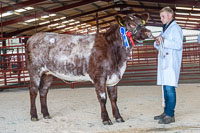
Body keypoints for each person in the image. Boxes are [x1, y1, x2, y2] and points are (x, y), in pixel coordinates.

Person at [153, 7, 183, 124]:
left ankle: (170, 115)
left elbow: (178, 45)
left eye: (163, 16)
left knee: (170, 88)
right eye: (161, 16)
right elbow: (160, 43)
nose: (161, 19)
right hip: (164, 62)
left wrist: (164, 41)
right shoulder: (165, 28)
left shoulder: (176, 28)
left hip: (171, 63)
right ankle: (166, 112)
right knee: (165, 89)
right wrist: (157, 42)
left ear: (170, 15)